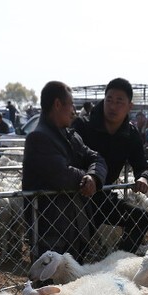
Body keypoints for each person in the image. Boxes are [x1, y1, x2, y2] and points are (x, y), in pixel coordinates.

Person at [22, 80, 107, 261]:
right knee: (51, 285)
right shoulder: (39, 138)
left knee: (73, 283)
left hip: (74, 226)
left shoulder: (70, 135)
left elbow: (97, 158)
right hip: (51, 231)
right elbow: (61, 175)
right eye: (71, 105)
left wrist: (93, 176)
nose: (74, 111)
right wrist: (86, 176)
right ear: (58, 104)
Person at [70, 76, 148, 253]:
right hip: (77, 197)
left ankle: (117, 262)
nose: (113, 106)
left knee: (141, 218)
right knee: (76, 251)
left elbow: (142, 166)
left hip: (104, 197)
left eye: (119, 102)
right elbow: (67, 159)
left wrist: (144, 178)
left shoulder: (130, 134)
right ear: (103, 100)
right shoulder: (83, 126)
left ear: (129, 106)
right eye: (109, 100)